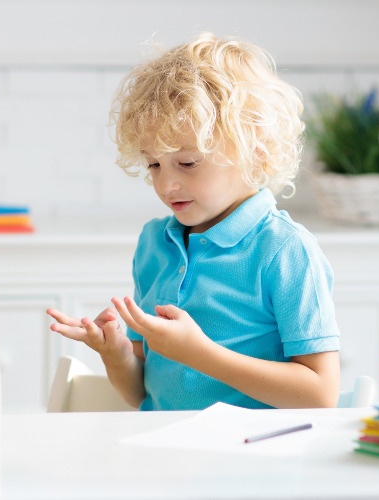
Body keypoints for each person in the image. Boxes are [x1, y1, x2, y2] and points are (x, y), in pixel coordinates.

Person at [46, 33, 340, 410]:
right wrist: (116, 353)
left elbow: (321, 396)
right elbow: (141, 395)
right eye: (154, 164)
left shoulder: (285, 249)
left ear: (255, 149)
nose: (166, 184)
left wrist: (199, 354)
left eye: (187, 162)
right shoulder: (154, 244)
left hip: (251, 460)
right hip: (162, 455)